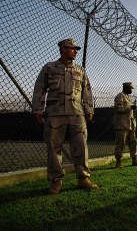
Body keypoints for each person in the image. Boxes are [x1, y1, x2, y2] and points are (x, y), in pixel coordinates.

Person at [31, 38, 99, 194]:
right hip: (55, 114)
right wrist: (37, 109)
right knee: (54, 148)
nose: (76, 51)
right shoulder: (49, 68)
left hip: (77, 113)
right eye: (72, 48)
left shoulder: (80, 70)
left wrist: (89, 109)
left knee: (81, 146)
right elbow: (40, 88)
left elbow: (87, 91)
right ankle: (56, 181)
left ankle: (83, 178)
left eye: (76, 49)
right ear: (63, 49)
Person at [114, 82, 137, 168]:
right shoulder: (120, 96)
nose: (131, 90)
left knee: (133, 142)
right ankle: (118, 162)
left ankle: (134, 160)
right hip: (121, 125)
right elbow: (118, 108)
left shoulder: (127, 97)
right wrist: (130, 108)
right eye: (131, 88)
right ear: (126, 88)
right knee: (121, 143)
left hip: (130, 125)